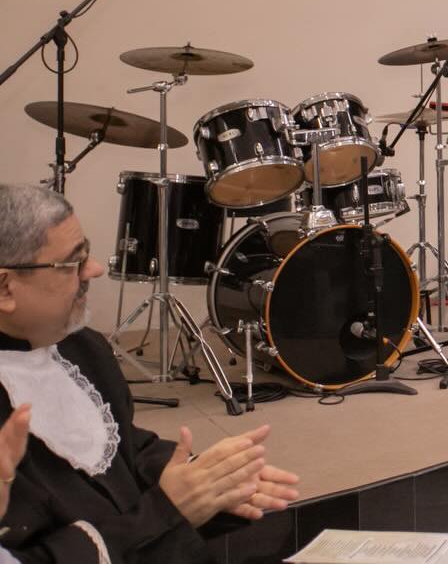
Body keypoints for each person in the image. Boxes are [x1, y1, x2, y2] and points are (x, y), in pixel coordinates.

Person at [0, 185, 299, 563]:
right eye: (74, 263)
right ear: (5, 288)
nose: (94, 270)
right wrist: (166, 511)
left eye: (87, 254)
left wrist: (208, 479)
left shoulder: (83, 348)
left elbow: (124, 449)